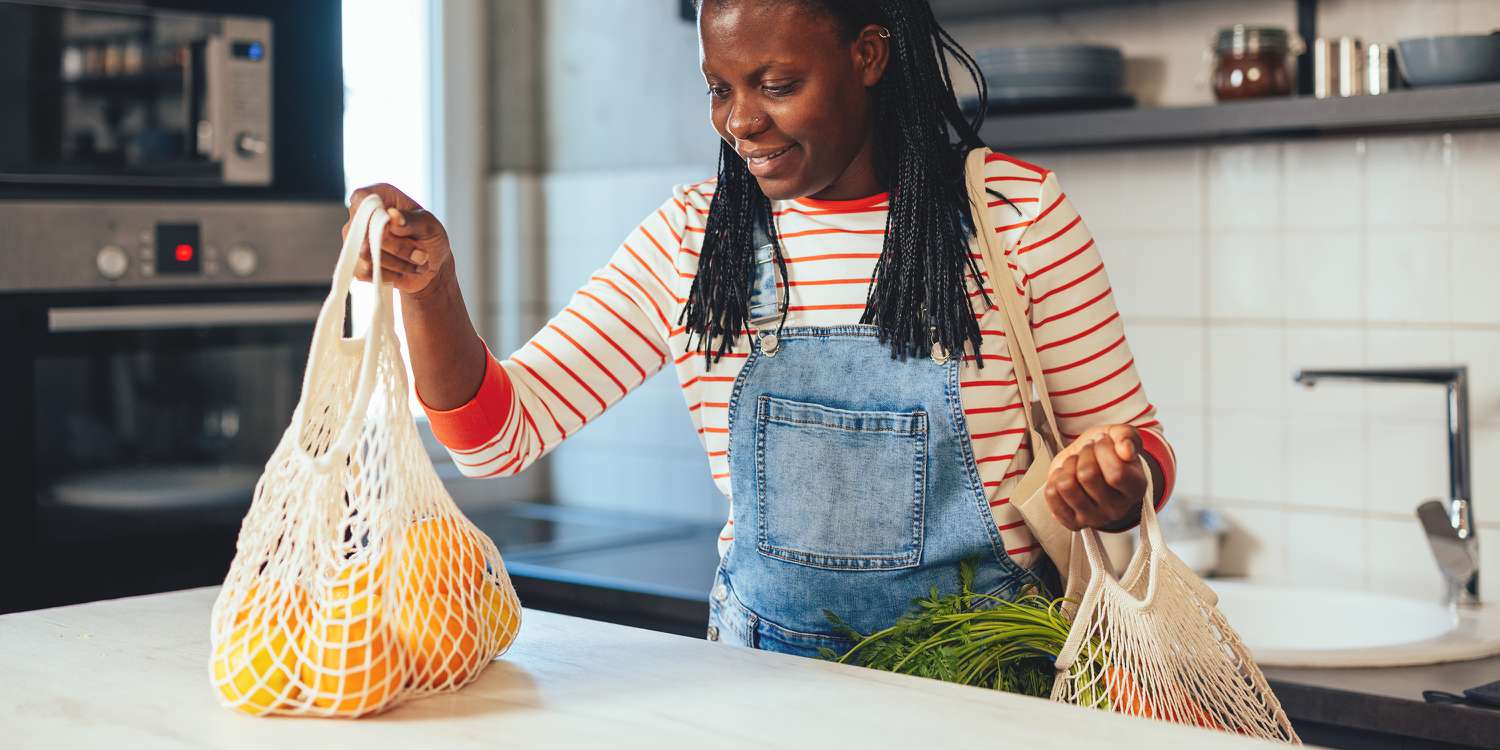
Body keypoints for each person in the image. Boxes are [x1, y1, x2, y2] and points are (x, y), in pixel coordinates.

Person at [345, 0, 1176, 658]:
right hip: (761, 686)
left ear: (869, 55)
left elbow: (1134, 448)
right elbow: (495, 441)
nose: (739, 121)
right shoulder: (692, 239)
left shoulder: (1016, 216)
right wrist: (432, 291)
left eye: (776, 84)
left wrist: (1114, 481)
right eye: (720, 86)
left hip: (987, 686)